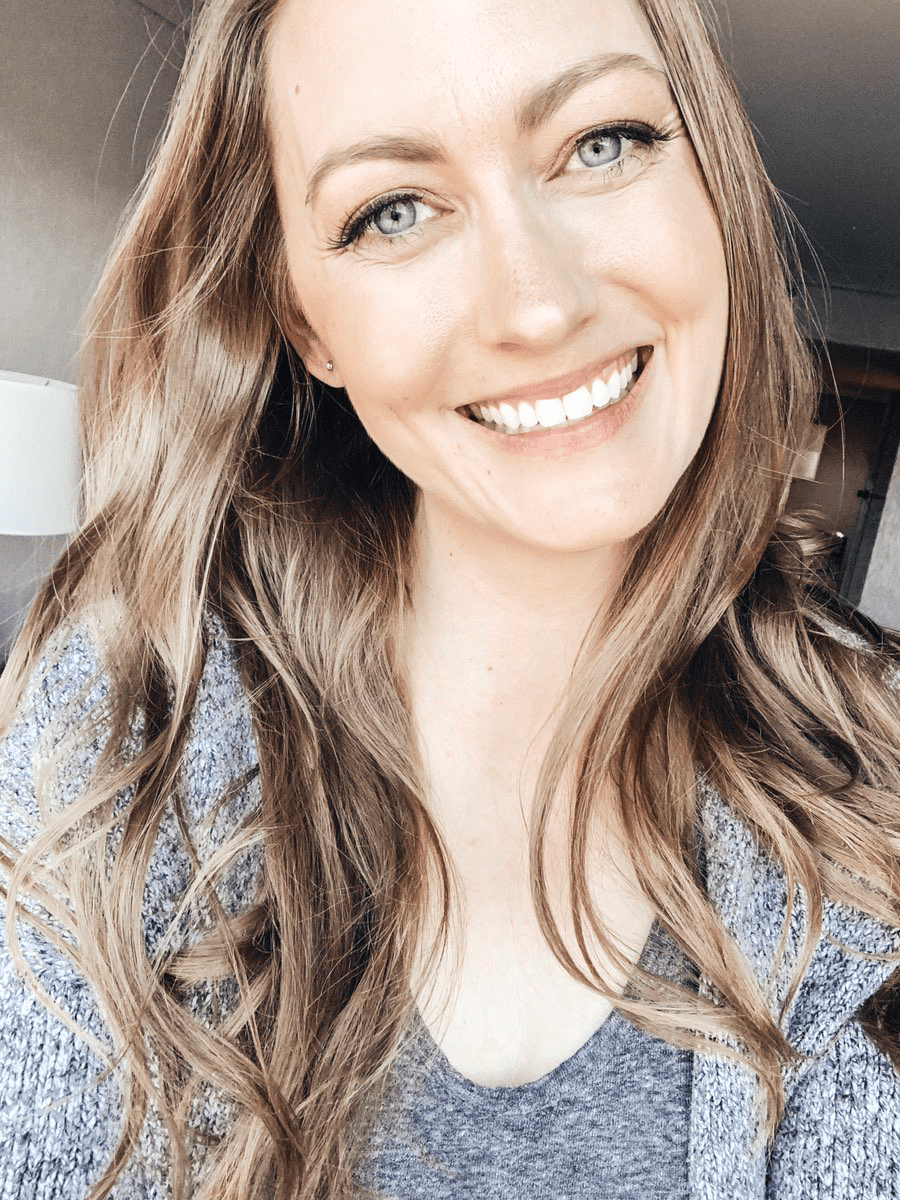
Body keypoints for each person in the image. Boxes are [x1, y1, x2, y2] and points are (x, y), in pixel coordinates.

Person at [1, 0, 899, 1196]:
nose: (539, 306)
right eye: (393, 211)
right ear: (305, 321)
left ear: (715, 189)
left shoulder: (877, 781)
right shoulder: (115, 740)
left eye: (602, 143)